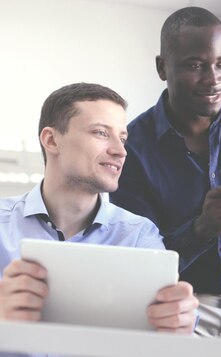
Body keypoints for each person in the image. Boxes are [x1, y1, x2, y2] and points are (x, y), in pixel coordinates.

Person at [109, 7, 221, 337]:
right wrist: (201, 229)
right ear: (162, 67)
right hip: (181, 310)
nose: (213, 79)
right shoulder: (132, 150)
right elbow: (139, 261)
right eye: (195, 65)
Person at [0, 83, 199, 346]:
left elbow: (164, 340)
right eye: (101, 133)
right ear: (51, 140)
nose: (121, 150)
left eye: (123, 138)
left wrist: (180, 321)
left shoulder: (140, 237)